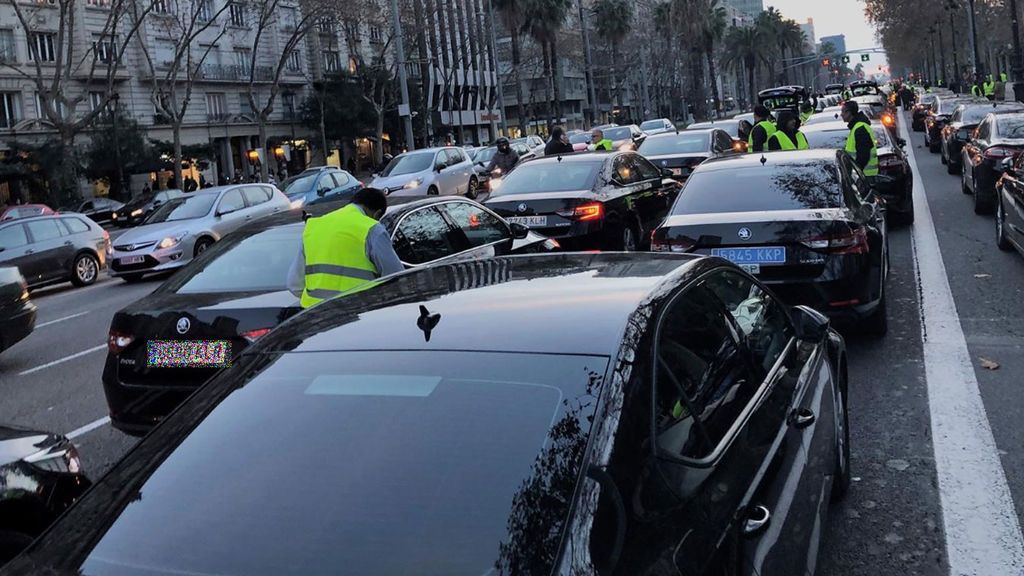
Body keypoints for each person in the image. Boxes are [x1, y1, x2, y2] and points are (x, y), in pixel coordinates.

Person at [286, 187, 404, 308]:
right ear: (377, 213)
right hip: (358, 314)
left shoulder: (314, 226)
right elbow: (396, 278)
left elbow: (294, 285)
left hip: (314, 315)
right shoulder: (372, 228)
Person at [840, 100, 878, 176]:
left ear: (849, 113)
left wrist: (856, 173)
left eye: (843, 112)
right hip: (864, 175)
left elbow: (863, 156)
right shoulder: (856, 127)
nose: (841, 114)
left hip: (865, 176)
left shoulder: (860, 129)